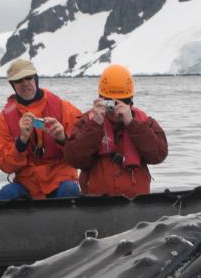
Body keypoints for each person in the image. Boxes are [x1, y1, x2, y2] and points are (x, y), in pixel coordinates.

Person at [63, 64, 168, 198]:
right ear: (101, 99)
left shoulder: (144, 122)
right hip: (96, 204)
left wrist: (132, 124)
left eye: (123, 101)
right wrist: (95, 125)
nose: (116, 107)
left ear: (131, 100)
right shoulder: (87, 122)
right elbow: (74, 159)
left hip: (135, 203)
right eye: (110, 101)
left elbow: (159, 155)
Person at [0, 59, 82, 200]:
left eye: (28, 78)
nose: (25, 84)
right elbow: (4, 165)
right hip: (27, 182)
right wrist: (21, 142)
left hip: (61, 177)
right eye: (19, 80)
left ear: (36, 78)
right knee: (3, 196)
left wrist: (62, 138)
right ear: (12, 85)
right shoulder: (4, 118)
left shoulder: (63, 107)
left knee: (69, 189)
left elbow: (83, 154)